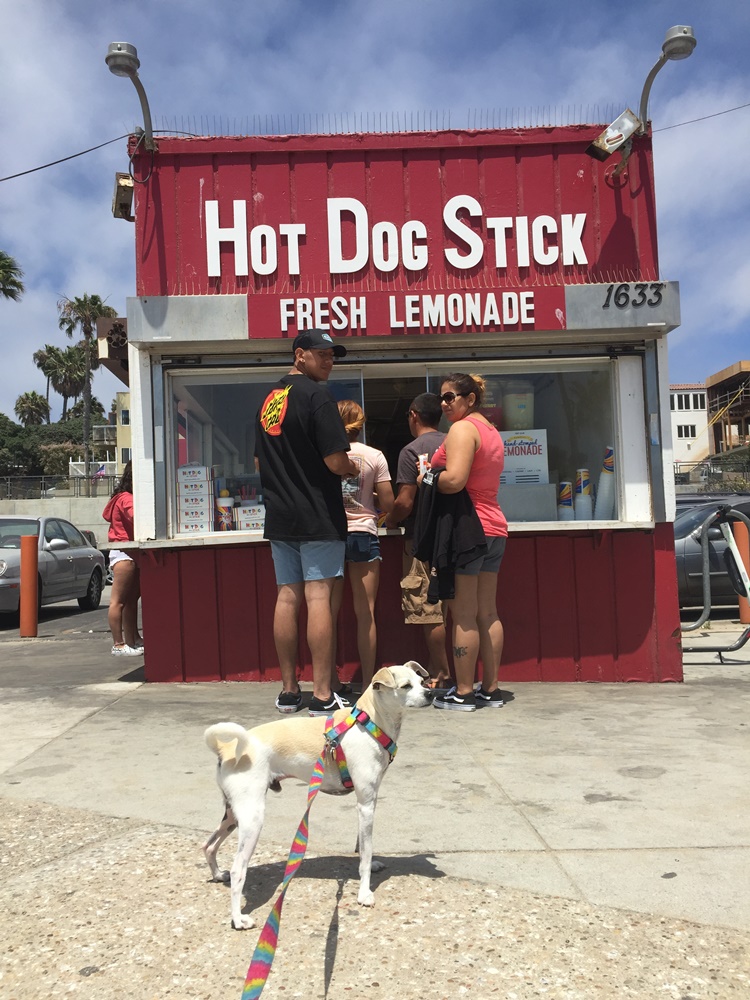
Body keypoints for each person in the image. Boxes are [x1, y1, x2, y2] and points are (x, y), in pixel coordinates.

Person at [255, 329, 359, 716]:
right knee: (318, 598)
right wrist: (351, 468)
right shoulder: (318, 397)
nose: (330, 361)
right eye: (322, 355)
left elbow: (258, 462)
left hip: (280, 514)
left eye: (333, 356)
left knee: (287, 595)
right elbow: (335, 461)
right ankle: (320, 694)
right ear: (300, 356)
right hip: (317, 512)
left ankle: (287, 691)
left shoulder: (270, 399)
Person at [427, 374, 507, 712]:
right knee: (487, 612)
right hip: (494, 527)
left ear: (470, 399)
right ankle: (490, 688)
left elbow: (455, 480)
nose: (444, 405)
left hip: (467, 529)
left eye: (450, 398)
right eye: (441, 399)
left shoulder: (461, 430)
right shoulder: (490, 431)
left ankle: (463, 692)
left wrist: (426, 477)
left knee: (462, 614)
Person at [383, 393, 451, 689]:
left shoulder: (411, 451)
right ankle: (457, 675)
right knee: (458, 609)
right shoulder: (455, 443)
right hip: (457, 537)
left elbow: (405, 502)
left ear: (413, 415)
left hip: (421, 539)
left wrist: (390, 519)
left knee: (429, 610)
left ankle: (441, 673)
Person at [330, 400, 395, 691]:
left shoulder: (326, 455)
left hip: (330, 534)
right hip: (364, 533)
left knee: (326, 613)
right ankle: (369, 681)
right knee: (365, 612)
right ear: (362, 423)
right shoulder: (375, 456)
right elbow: (390, 502)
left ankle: (328, 680)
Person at [102, 461, 143, 657]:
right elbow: (137, 517)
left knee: (130, 600)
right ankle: (118, 644)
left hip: (127, 552)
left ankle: (132, 640)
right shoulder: (127, 499)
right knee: (119, 601)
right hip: (124, 552)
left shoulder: (122, 497)